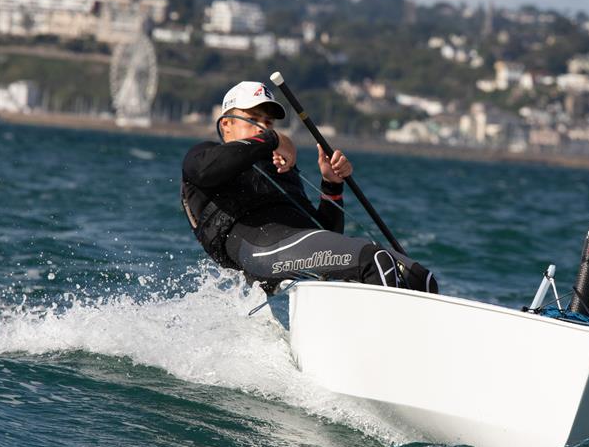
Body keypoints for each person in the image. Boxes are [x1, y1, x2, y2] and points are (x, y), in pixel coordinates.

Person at [181, 80, 438, 294]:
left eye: (269, 123)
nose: (262, 127)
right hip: (258, 249)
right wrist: (274, 138)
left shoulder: (279, 168)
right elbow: (205, 171)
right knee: (372, 261)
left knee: (420, 278)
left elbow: (324, 233)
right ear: (226, 124)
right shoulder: (205, 153)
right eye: (253, 119)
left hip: (293, 247)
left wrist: (331, 184)